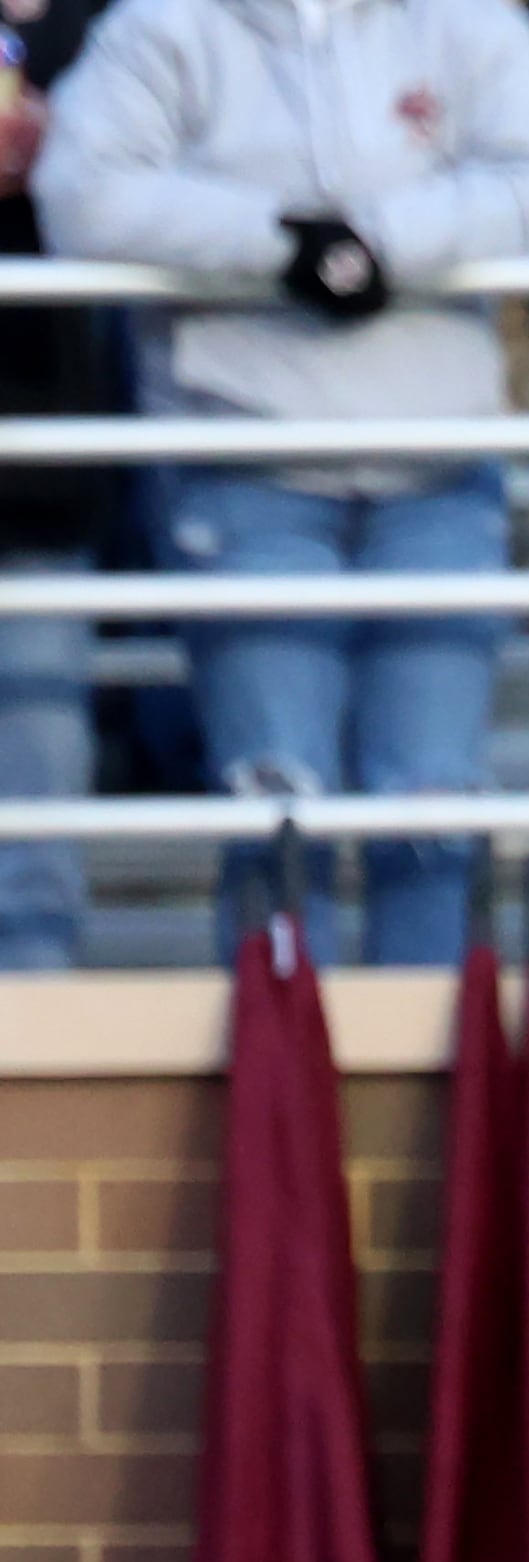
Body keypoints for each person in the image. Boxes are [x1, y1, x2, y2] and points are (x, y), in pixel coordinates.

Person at [33, 0, 529, 965]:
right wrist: (284, 246)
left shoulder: (465, 19)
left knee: (435, 806)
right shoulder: (163, 27)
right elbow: (83, 191)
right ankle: (286, 1098)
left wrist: (380, 247)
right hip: (246, 462)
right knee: (279, 808)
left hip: (438, 465)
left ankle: (430, 1098)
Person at [0, 0, 108, 970]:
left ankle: (31, 1036)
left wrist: (63, 156)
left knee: (37, 819)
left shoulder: (110, 27)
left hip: (34, 477)